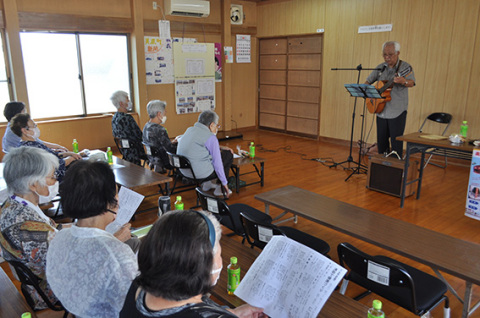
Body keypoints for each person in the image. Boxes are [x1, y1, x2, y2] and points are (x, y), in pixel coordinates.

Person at [120, 210, 265, 318]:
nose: (221, 261)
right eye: (219, 254)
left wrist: (232, 313)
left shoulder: (139, 288)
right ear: (203, 266)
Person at [46, 160, 138, 318]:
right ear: (110, 202)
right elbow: (133, 304)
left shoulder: (59, 237)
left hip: (74, 309)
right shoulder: (117, 253)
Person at [0, 147, 63, 309]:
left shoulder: (12, 204)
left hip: (37, 280)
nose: (55, 181)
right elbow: (66, 264)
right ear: (33, 184)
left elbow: (52, 231)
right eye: (51, 177)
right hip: (47, 291)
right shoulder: (27, 227)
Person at [365, 41, 415, 158]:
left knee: (396, 144)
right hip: (380, 110)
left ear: (398, 53)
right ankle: (383, 168)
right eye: (385, 55)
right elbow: (368, 81)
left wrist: (404, 81)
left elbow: (412, 83)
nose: (387, 58)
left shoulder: (405, 67)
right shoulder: (380, 68)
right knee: (382, 143)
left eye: (390, 55)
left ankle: (395, 171)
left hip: (397, 111)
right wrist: (369, 93)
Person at [177, 110, 233, 197]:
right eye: (217, 125)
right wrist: (224, 183)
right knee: (227, 154)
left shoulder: (189, 130)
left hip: (184, 171)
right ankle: (220, 188)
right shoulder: (210, 137)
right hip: (199, 174)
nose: (217, 128)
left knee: (203, 155)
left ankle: (207, 184)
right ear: (211, 125)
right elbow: (217, 163)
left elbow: (196, 145)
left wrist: (220, 146)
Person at [10, 113, 81, 182]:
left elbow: (52, 155)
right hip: (53, 181)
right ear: (25, 130)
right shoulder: (30, 150)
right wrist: (71, 158)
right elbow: (53, 167)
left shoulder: (33, 144)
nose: (36, 128)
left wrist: (68, 154)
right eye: (34, 126)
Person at [2, 101, 68, 153]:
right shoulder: (16, 130)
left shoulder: (11, 127)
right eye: (23, 111)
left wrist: (57, 147)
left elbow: (39, 143)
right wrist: (57, 149)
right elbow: (38, 146)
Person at [143, 100, 178, 173]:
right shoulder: (160, 129)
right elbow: (170, 149)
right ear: (159, 114)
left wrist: (170, 142)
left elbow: (157, 144)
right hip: (164, 160)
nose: (165, 114)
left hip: (152, 158)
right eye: (165, 112)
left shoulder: (146, 126)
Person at [111, 90, 145, 165]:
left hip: (124, 151)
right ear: (121, 103)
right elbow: (139, 135)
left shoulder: (114, 117)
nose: (129, 101)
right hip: (134, 151)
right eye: (127, 99)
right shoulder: (127, 118)